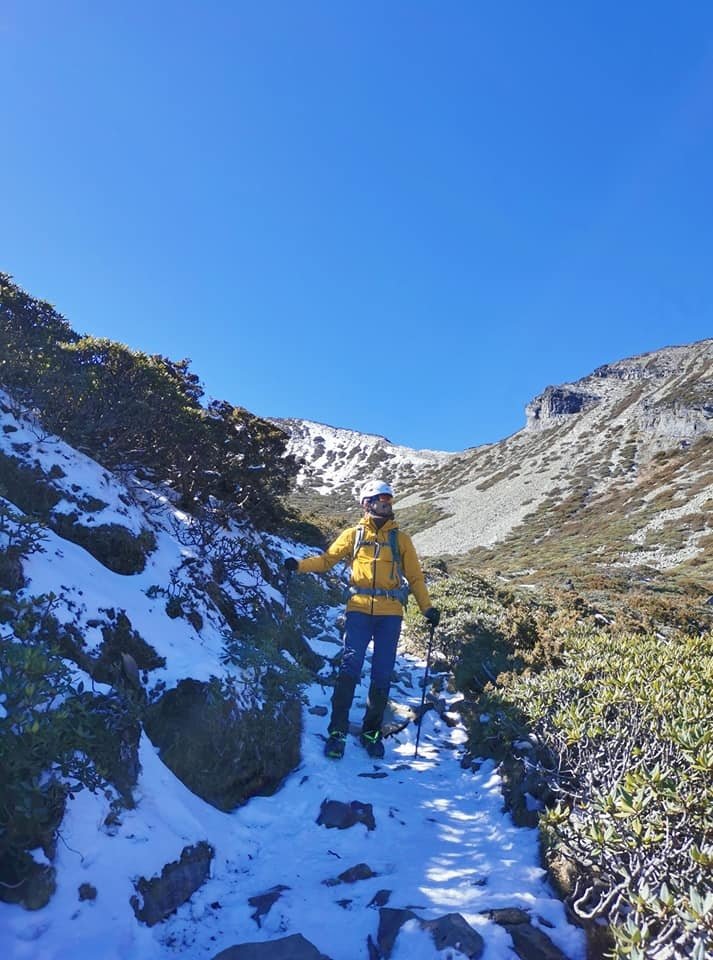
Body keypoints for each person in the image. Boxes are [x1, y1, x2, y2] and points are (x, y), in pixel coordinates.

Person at [284, 479, 440, 759]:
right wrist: (298, 565)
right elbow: (326, 561)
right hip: (357, 611)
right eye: (380, 499)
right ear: (366, 503)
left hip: (390, 615)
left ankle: (372, 733)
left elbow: (415, 578)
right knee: (350, 667)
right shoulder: (353, 535)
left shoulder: (401, 540)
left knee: (382, 672)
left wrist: (427, 608)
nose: (386, 504)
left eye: (389, 500)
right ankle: (337, 732)